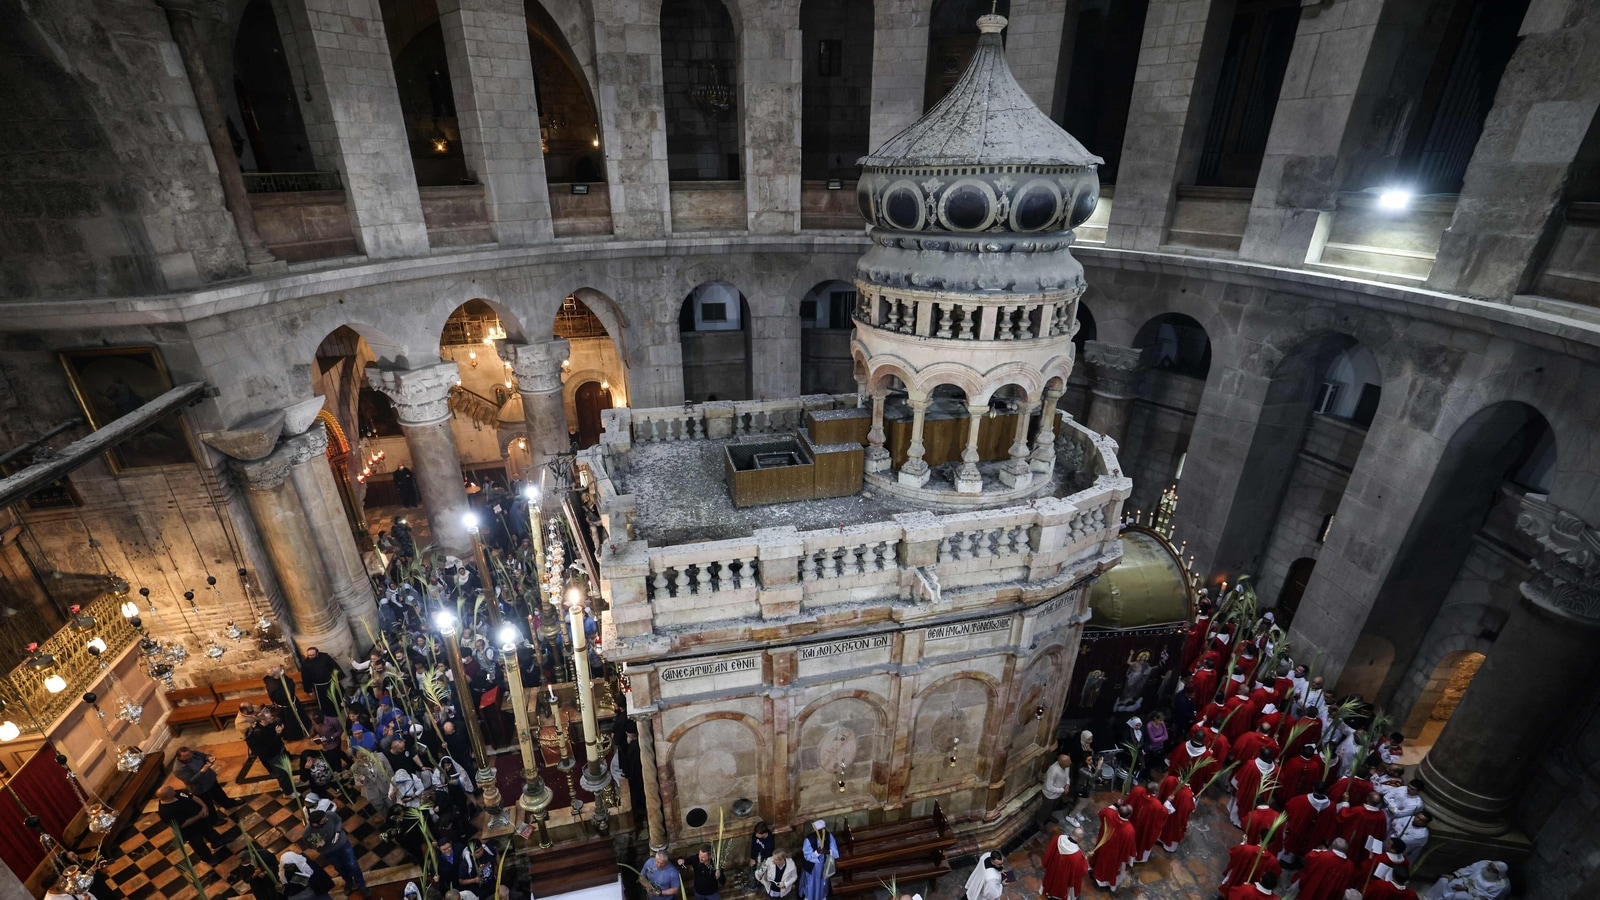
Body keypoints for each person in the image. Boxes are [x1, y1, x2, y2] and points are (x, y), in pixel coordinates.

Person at [301, 806, 366, 893]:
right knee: (340, 868)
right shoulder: (307, 833)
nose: (327, 819)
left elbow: (338, 820)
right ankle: (349, 882)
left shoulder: (329, 815)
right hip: (329, 852)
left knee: (352, 864)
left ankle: (361, 885)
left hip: (342, 844)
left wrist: (338, 831)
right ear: (316, 824)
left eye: (325, 818)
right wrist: (316, 845)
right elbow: (309, 846)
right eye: (324, 820)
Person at [157, 785, 230, 862]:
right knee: (199, 845)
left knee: (210, 831)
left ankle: (217, 843)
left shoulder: (177, 793)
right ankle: (208, 858)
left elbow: (193, 797)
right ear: (167, 796)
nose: (173, 789)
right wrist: (199, 816)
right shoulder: (166, 812)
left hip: (202, 821)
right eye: (171, 790)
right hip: (190, 831)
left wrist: (203, 806)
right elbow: (182, 824)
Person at [173, 746, 239, 816]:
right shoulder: (178, 769)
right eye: (187, 757)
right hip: (200, 788)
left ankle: (228, 804)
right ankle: (214, 819)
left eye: (190, 755)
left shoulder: (192, 753)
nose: (190, 757)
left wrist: (208, 757)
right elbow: (190, 781)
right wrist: (202, 771)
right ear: (179, 757)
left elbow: (203, 756)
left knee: (219, 794)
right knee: (208, 804)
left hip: (210, 779)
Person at [1281, 784, 1335, 866]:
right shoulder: (1332, 807)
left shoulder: (1300, 800)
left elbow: (1288, 809)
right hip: (1315, 837)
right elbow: (1330, 824)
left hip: (1298, 833)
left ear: (1313, 788)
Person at [246, 714, 298, 797]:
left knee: (286, 770)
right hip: (273, 756)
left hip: (278, 752)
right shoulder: (259, 733)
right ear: (263, 720)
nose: (272, 718)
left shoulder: (266, 726)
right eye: (269, 717)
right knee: (282, 773)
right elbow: (270, 745)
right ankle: (288, 792)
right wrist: (278, 734)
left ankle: (288, 784)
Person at [1088, 804, 1135, 891]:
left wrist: (1115, 805)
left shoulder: (1109, 813)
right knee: (1108, 866)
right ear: (1129, 816)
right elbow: (1128, 847)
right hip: (1114, 853)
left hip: (1103, 844)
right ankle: (1103, 882)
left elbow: (1101, 813)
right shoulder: (1129, 830)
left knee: (1099, 859)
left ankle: (1094, 872)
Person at [1336, 792, 1390, 865]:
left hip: (1354, 840)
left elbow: (1343, 816)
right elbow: (1382, 833)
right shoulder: (1381, 815)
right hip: (1368, 844)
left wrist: (1345, 802)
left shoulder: (1359, 811)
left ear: (1367, 799)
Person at [1041, 827, 1087, 900]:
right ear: (1080, 839)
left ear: (1072, 833)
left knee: (1051, 882)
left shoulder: (1057, 839)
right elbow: (1081, 871)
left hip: (1052, 870)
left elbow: (1048, 854)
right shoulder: (1077, 855)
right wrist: (1086, 859)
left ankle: (1048, 893)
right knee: (1060, 889)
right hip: (1063, 878)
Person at [1424, 860, 1509, 900]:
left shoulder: (1500, 885)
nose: (1488, 868)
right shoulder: (1484, 863)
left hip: (1474, 895)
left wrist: (1467, 890)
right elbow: (1469, 869)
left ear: (1498, 873)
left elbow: (1487, 897)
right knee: (1444, 881)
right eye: (1490, 865)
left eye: (1492, 869)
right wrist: (1453, 875)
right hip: (1465, 881)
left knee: (1457, 896)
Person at [1127, 781, 1167, 863]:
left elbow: (1128, 801)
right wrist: (1168, 803)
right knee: (1140, 841)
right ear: (1155, 792)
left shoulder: (1137, 790)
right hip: (1142, 828)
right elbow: (1163, 814)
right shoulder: (1156, 805)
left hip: (1131, 822)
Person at [799, 820, 838, 900]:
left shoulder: (829, 836)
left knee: (822, 884)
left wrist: (827, 851)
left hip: (824, 866)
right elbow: (807, 855)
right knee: (812, 884)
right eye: (819, 831)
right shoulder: (809, 839)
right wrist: (817, 852)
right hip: (813, 868)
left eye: (823, 830)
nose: (822, 833)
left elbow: (835, 852)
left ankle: (821, 897)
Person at [301, 647, 345, 717]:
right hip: (319, 687)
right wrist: (309, 690)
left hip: (330, 683)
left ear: (317, 653)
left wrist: (338, 677)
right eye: (309, 655)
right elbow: (305, 677)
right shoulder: (305, 664)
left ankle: (339, 710)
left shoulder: (325, 657)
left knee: (336, 698)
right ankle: (328, 714)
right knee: (325, 702)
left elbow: (334, 666)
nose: (310, 657)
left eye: (312, 655)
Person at [1159, 774, 1197, 852]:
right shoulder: (1187, 795)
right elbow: (1186, 811)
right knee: (1172, 829)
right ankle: (1168, 847)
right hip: (1175, 818)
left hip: (1163, 811)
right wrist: (1192, 802)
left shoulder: (1169, 779)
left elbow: (1161, 793)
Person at [1039, 752, 1072, 827]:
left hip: (1058, 793)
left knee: (1053, 807)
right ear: (1062, 764)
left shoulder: (1066, 766)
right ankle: (1040, 821)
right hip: (1050, 795)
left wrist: (1067, 784)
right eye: (1068, 762)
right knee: (1045, 809)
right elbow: (1049, 787)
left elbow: (1067, 776)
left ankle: (1048, 816)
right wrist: (1062, 790)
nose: (1070, 762)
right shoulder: (1053, 771)